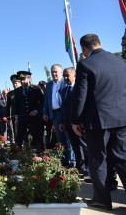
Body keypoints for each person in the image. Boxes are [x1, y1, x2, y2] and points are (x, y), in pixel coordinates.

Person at [71, 34, 126, 210]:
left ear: (83, 49)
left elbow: (81, 95)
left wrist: (76, 120)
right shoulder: (120, 61)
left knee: (98, 161)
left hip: (98, 122)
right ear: (100, 44)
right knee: (123, 159)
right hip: (121, 118)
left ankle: (102, 200)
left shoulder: (85, 64)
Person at [59, 67, 89, 179]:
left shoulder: (79, 87)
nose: (65, 78)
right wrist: (62, 122)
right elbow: (63, 107)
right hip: (68, 123)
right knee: (75, 147)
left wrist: (81, 121)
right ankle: (80, 167)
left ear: (74, 75)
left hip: (78, 123)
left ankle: (88, 169)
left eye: (67, 75)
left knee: (84, 146)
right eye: (64, 76)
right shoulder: (64, 90)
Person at [43, 64, 75, 166]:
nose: (54, 74)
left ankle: (73, 160)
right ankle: (64, 159)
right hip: (54, 114)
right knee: (60, 139)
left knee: (69, 137)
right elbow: (47, 99)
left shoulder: (65, 82)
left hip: (65, 113)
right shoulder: (49, 85)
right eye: (52, 72)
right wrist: (45, 112)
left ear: (61, 72)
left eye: (56, 72)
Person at [14, 71, 44, 152]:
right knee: (19, 135)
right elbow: (16, 105)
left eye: (24, 79)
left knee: (37, 134)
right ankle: (16, 152)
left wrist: (37, 111)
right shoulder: (17, 91)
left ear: (29, 79)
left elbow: (42, 102)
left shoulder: (36, 89)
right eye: (21, 80)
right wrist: (16, 117)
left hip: (34, 116)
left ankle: (41, 152)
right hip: (22, 116)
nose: (22, 81)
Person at [6, 74, 21, 144]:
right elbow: (8, 106)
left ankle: (28, 146)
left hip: (24, 115)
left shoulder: (24, 91)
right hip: (14, 115)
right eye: (13, 83)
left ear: (20, 82)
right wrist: (8, 117)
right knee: (16, 132)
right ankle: (18, 147)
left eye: (16, 83)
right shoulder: (10, 94)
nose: (14, 85)